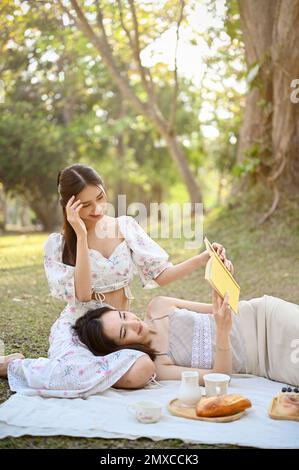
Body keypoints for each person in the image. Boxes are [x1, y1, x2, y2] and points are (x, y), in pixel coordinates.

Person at [1, 163, 231, 397]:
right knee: (69, 372)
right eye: (86, 204)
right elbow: (82, 295)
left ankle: (97, 373)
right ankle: (13, 365)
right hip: (79, 329)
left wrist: (203, 258)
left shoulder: (125, 226)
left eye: (100, 197)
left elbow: (161, 275)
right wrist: (80, 235)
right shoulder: (58, 245)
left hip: (117, 336)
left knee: (142, 368)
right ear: (69, 206)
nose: (98, 208)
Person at [73, 288, 299, 387]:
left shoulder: (159, 305)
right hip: (266, 363)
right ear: (119, 348)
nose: (133, 323)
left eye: (124, 315)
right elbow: (220, 377)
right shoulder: (160, 365)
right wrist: (222, 333)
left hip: (264, 316)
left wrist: (223, 277)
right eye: (125, 332)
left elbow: (220, 307)